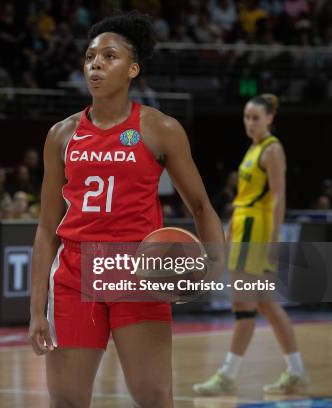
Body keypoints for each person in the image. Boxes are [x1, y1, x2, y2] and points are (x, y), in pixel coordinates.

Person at [28, 11, 224, 407]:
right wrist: (35, 309)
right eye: (89, 57)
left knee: (153, 397)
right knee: (65, 399)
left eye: (109, 56)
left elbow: (201, 206)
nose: (95, 63)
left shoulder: (160, 128)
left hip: (138, 272)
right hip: (75, 275)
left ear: (133, 68)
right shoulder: (61, 135)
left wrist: (212, 268)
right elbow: (47, 226)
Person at [194, 94, 308, 396]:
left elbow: (279, 196)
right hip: (243, 228)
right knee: (266, 304)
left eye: (256, 117)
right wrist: (230, 230)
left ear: (270, 118)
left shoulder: (272, 149)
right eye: (246, 117)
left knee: (244, 306)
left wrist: (273, 239)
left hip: (256, 232)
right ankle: (296, 371)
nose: (250, 122)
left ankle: (227, 374)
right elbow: (244, 198)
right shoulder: (253, 149)